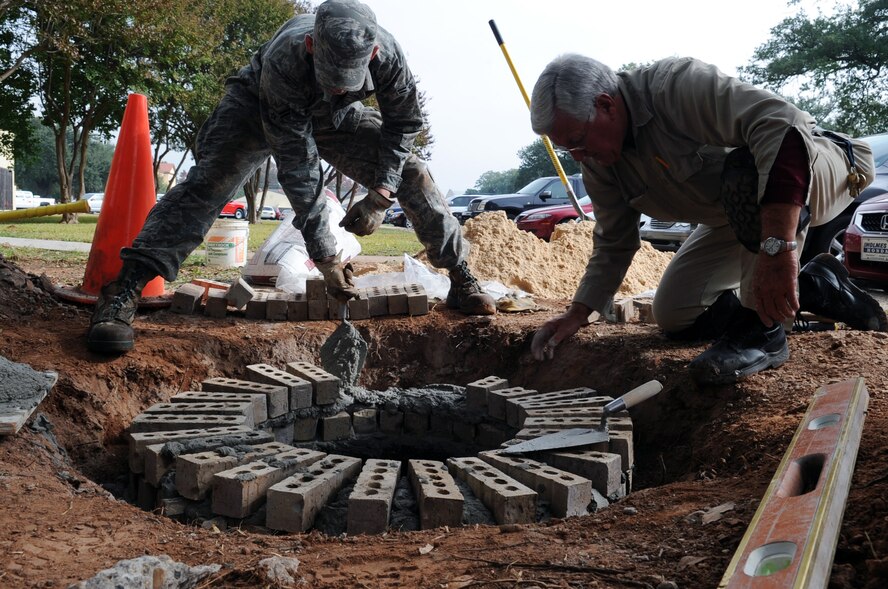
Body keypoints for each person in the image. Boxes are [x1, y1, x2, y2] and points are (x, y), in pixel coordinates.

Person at [86, 0, 495, 354]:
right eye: (330, 76)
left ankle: (461, 277)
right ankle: (124, 291)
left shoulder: (389, 57)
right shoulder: (286, 58)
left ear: (371, 55)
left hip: (336, 121)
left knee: (413, 172)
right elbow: (298, 163)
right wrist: (326, 256)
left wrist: (380, 196)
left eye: (346, 81)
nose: (337, 88)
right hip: (258, 107)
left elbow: (404, 125)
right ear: (312, 46)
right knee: (208, 185)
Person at [527, 54, 886, 385]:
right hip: (739, 215)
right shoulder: (598, 161)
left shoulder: (673, 87)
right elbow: (614, 240)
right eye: (566, 149)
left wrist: (777, 251)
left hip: (818, 166)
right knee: (674, 314)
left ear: (606, 105)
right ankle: (816, 287)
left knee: (746, 169)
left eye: (577, 140)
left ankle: (763, 331)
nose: (577, 155)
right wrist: (578, 313)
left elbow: (781, 125)